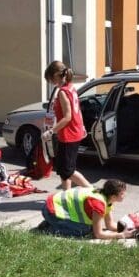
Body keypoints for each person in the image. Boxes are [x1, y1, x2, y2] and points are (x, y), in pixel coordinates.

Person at [42, 61, 91, 190]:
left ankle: (93, 190)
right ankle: (66, 195)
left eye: (50, 79)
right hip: (73, 132)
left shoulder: (62, 92)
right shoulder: (71, 88)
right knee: (64, 169)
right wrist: (82, 126)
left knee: (67, 171)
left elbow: (68, 117)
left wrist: (51, 131)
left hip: (69, 135)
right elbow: (77, 110)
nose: (50, 82)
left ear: (55, 76)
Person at [40, 179, 136, 240]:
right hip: (50, 210)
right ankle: (49, 228)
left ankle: (54, 223)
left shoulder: (106, 198)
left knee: (89, 227)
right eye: (122, 193)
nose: (125, 195)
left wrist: (128, 229)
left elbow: (110, 225)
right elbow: (98, 234)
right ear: (113, 196)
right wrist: (121, 235)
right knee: (84, 230)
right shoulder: (99, 203)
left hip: (52, 207)